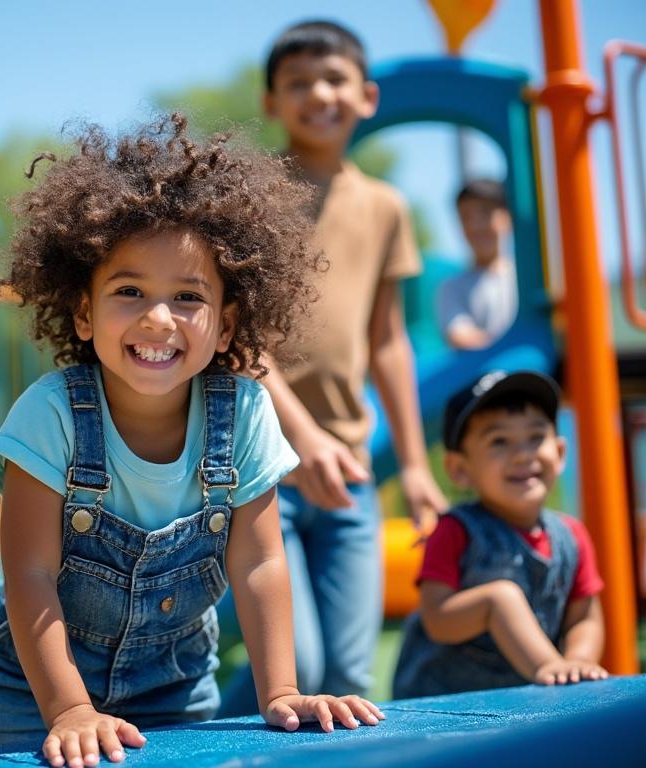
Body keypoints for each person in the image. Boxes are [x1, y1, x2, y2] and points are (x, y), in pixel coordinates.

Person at [0, 113, 385, 767]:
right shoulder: (53, 413)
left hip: (170, 690)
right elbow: (29, 573)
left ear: (227, 325)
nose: (157, 318)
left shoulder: (246, 413)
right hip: (26, 693)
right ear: (85, 313)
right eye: (129, 291)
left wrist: (281, 690)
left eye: (187, 296)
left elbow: (259, 563)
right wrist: (69, 711)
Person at [221, 20, 449, 713]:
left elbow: (387, 342)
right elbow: (239, 337)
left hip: (347, 468)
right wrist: (302, 437)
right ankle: (188, 742)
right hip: (259, 464)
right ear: (271, 102)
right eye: (297, 83)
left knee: (348, 670)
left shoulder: (385, 208)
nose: (318, 93)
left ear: (368, 96)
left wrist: (412, 463)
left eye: (334, 79)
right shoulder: (249, 197)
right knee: (299, 663)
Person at [392, 370, 607, 698]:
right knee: (502, 595)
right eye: (499, 441)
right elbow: (436, 619)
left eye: (536, 437)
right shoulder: (455, 531)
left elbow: (585, 618)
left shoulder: (571, 535)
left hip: (528, 698)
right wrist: (492, 607)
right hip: (444, 704)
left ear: (560, 453)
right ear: (460, 469)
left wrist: (577, 661)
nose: (523, 454)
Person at [436, 179, 518, 350]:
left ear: (507, 217)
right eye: (466, 217)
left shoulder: (528, 279)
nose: (476, 226)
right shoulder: (452, 288)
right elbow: (460, 335)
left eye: (486, 213)